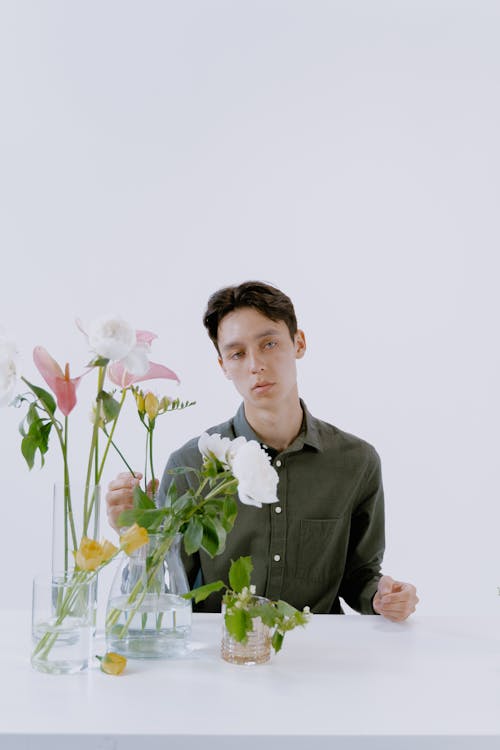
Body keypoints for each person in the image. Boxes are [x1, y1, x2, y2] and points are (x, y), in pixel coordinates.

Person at [107, 281, 418, 621]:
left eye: (269, 344)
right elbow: (161, 594)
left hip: (320, 655)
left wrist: (382, 597)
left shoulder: (356, 462)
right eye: (237, 354)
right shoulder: (192, 464)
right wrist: (135, 538)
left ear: (299, 343)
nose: (255, 364)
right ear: (223, 365)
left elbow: (360, 576)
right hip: (218, 656)